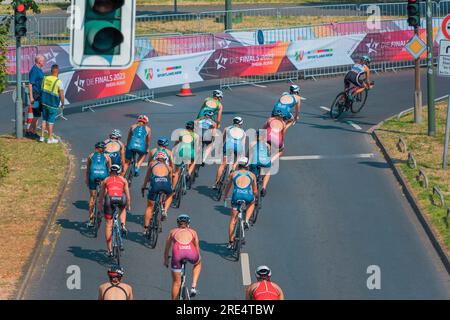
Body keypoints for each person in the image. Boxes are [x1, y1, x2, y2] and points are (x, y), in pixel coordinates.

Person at [164, 214, 201, 300]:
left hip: (178, 253)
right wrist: (196, 258)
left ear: (178, 224)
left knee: (176, 282)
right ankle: (193, 287)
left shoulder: (173, 231)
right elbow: (197, 249)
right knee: (198, 263)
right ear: (188, 224)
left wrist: (166, 260)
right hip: (190, 251)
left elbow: (167, 248)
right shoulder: (193, 232)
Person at [223, 157, 257, 249]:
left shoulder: (233, 174)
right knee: (252, 202)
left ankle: (230, 242)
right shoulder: (252, 175)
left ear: (239, 165)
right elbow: (255, 191)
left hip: (236, 196)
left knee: (233, 221)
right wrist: (254, 195)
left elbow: (228, 187)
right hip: (247, 196)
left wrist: (225, 196)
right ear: (247, 166)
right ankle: (246, 220)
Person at [98, 164, 131, 256]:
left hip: (109, 199)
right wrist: (128, 205)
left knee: (108, 225)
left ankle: (110, 250)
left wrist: (100, 207)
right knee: (122, 208)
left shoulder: (106, 180)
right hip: (121, 198)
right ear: (119, 172)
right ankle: (123, 225)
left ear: (110, 172)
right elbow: (128, 196)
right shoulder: (123, 180)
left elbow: (101, 197)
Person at [141, 152, 174, 233]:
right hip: (165, 183)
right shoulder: (169, 167)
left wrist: (143, 186)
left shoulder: (152, 164)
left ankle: (145, 228)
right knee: (170, 194)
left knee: (149, 207)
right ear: (165, 159)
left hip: (156, 184)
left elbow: (147, 177)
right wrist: (171, 189)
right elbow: (170, 181)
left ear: (156, 158)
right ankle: (164, 210)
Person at [213, 116, 246, 189]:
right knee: (237, 158)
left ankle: (216, 183)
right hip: (238, 147)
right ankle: (234, 167)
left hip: (228, 146)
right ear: (241, 124)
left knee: (222, 165)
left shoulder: (227, 129)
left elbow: (222, 140)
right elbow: (243, 145)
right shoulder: (243, 132)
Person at [86, 142, 111, 227]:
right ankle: (103, 209)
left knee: (92, 197)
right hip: (103, 175)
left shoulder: (90, 156)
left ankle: (91, 219)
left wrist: (86, 179)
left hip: (93, 175)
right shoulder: (107, 157)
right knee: (104, 194)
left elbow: (88, 170)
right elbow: (109, 170)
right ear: (103, 149)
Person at [40, 64, 64, 144]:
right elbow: (61, 95)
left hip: (44, 102)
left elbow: (42, 89)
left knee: (44, 119)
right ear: (57, 72)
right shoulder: (59, 82)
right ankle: (50, 138)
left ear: (51, 71)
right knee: (50, 122)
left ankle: (42, 137)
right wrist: (62, 104)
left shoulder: (45, 78)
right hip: (52, 104)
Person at [172, 122, 200, 188]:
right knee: (194, 161)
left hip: (181, 152)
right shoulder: (196, 136)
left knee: (176, 172)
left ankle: (173, 189)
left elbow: (176, 144)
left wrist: (173, 152)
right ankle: (189, 173)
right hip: (191, 153)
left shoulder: (181, 133)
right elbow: (196, 148)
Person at [248, 129, 272, 197]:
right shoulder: (267, 145)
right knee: (268, 171)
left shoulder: (252, 143)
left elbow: (248, 154)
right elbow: (268, 154)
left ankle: (251, 189)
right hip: (265, 162)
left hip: (255, 162)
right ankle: (264, 187)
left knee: (252, 175)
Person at [27, 54, 45, 138]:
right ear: (39, 61)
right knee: (36, 114)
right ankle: (30, 131)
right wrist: (31, 97)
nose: (44, 62)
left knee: (37, 115)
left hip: (39, 95)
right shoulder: (34, 70)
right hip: (35, 95)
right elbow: (30, 84)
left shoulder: (39, 69)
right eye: (43, 60)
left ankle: (32, 131)